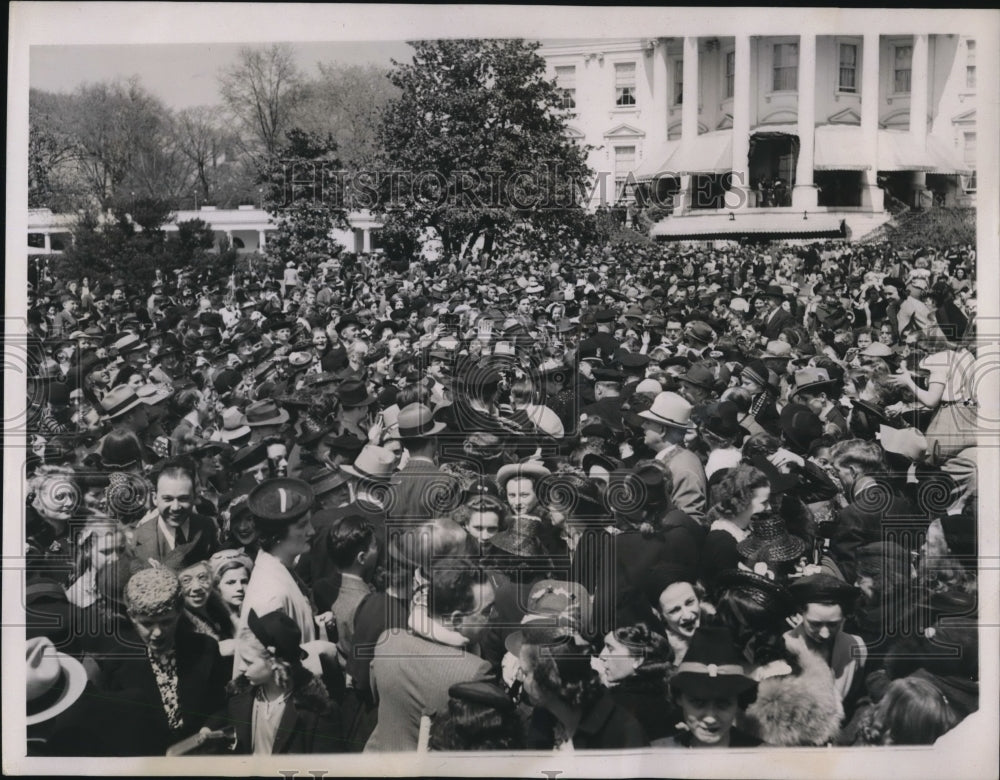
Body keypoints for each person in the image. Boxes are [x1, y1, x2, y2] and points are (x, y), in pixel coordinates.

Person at [365, 556, 494, 752]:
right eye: (487, 611)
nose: (495, 616)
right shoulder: (475, 672)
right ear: (457, 620)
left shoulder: (387, 641)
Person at [98, 567, 229, 756]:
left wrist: (208, 730)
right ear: (132, 617)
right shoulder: (116, 663)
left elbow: (222, 703)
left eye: (166, 622)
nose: (158, 633)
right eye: (147, 624)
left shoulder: (205, 649)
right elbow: (111, 726)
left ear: (179, 612)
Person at [214, 608, 343, 754]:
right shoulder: (238, 698)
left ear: (275, 662)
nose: (241, 667)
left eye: (249, 662)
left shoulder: (317, 712)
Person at [653, 626, 760, 748]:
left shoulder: (765, 755)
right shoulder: (656, 753)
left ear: (738, 703)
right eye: (698, 703)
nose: (710, 719)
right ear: (679, 698)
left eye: (723, 704)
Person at [129, 460, 219, 568]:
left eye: (183, 499)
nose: (175, 507)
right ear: (155, 498)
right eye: (168, 499)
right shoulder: (139, 536)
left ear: (194, 497)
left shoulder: (207, 527)